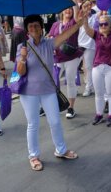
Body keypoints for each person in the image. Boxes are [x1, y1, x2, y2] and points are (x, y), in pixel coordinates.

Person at [16, 14, 80, 171]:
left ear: (41, 27)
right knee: (33, 124)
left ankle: (61, 149)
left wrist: (80, 23)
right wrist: (23, 58)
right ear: (27, 30)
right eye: (30, 26)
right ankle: (33, 156)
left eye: (36, 25)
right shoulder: (22, 47)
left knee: (55, 122)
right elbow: (20, 72)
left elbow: (66, 35)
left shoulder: (49, 44)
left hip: (48, 90)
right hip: (29, 92)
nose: (34, 28)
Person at [81, 2, 111, 127]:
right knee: (99, 93)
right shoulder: (96, 34)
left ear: (110, 25)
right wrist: (85, 17)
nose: (102, 26)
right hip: (97, 67)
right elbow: (86, 28)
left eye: (105, 24)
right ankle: (99, 114)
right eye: (100, 24)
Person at [48, 7, 83, 119]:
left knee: (70, 82)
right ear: (62, 11)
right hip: (57, 58)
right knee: (53, 82)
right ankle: (52, 106)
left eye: (70, 9)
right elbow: (49, 37)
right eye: (66, 9)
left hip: (71, 57)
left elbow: (77, 14)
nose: (68, 11)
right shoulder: (55, 25)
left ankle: (71, 107)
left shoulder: (73, 22)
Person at [78, 0, 96, 97]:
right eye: (85, 6)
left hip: (90, 46)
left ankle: (89, 87)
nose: (88, 7)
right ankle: (74, 88)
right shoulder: (79, 18)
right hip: (79, 44)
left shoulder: (95, 17)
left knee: (89, 67)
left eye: (89, 5)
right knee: (74, 67)